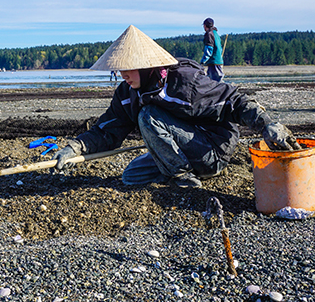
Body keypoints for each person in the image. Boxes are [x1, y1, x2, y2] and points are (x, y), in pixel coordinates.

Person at [52, 25, 300, 190]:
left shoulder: (184, 82)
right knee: (130, 176)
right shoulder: (127, 94)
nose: (123, 74)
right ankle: (173, 170)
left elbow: (233, 101)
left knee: (148, 116)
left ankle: (183, 178)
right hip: (182, 148)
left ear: (146, 66)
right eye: (119, 69)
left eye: (128, 68)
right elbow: (108, 129)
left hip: (211, 150)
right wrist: (74, 147)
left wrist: (267, 124)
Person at [200, 17, 224, 82]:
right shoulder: (216, 34)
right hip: (218, 61)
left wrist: (203, 61)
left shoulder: (209, 34)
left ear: (205, 26)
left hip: (214, 62)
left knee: (214, 82)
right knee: (217, 81)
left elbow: (209, 49)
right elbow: (220, 48)